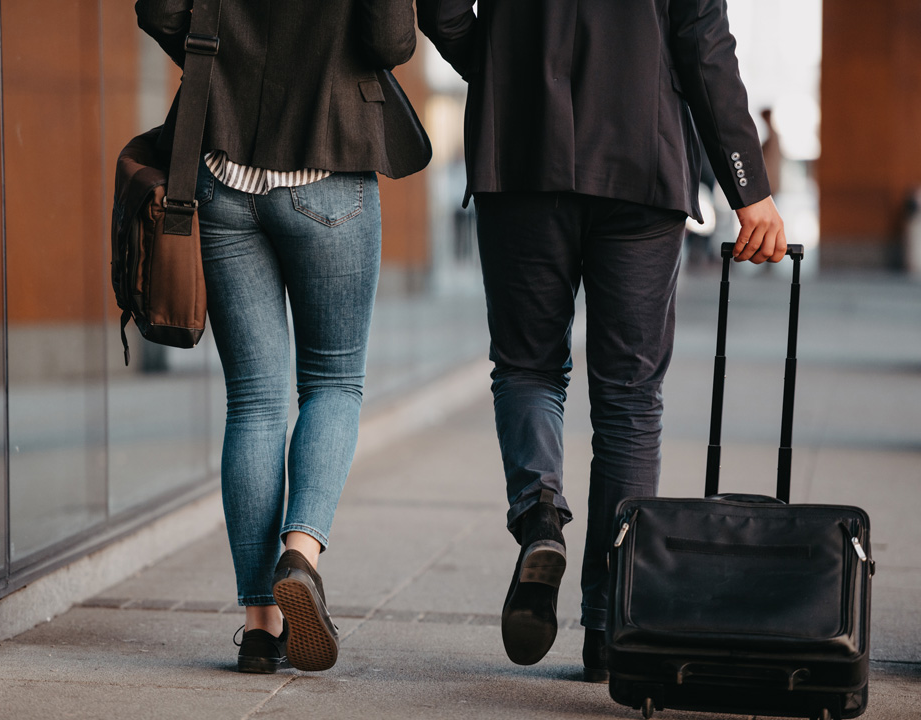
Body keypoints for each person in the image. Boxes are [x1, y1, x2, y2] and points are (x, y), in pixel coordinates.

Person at [418, 0, 787, 681]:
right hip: (641, 163)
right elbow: (704, 42)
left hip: (520, 154)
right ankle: (607, 626)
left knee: (527, 366)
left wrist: (502, 71)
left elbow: (439, 8)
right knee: (629, 401)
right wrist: (751, 190)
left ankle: (539, 518)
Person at [135, 0, 427, 674]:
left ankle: (262, 627)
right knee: (333, 383)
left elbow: (159, 10)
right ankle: (301, 554)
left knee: (255, 403)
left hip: (221, 166)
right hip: (329, 164)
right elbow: (391, 38)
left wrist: (225, 66)